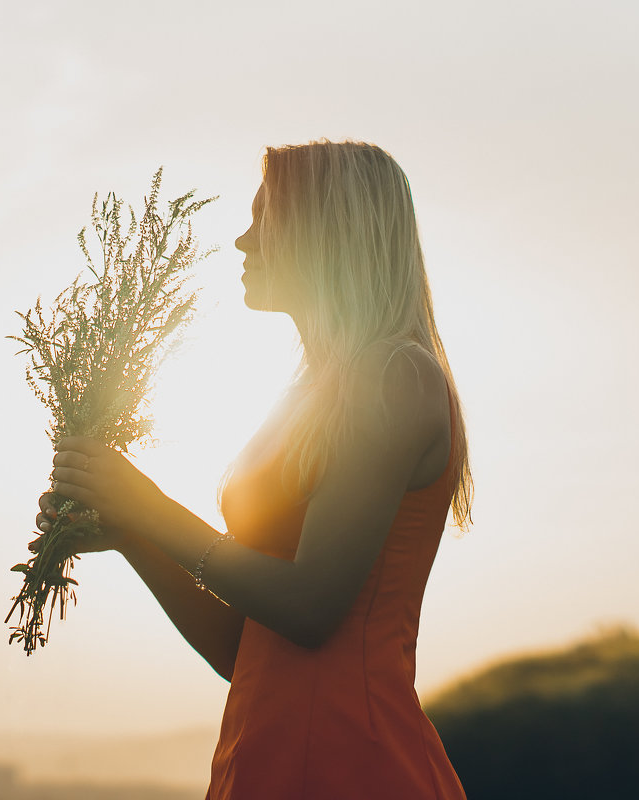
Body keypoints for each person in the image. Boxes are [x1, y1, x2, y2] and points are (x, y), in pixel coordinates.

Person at [36, 139, 474, 799]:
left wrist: (149, 505)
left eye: (263, 218)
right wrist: (131, 533)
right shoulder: (309, 396)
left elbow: (309, 607)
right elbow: (241, 651)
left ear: (328, 232)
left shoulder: (396, 376)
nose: (242, 242)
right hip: (261, 753)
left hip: (349, 762)